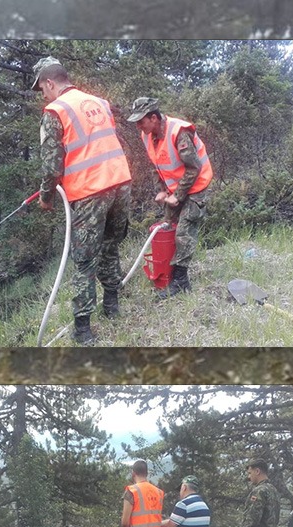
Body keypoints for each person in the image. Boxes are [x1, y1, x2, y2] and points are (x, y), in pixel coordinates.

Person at [31, 56, 133, 345]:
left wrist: (46, 197)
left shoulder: (55, 111)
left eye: (42, 89)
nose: (43, 95)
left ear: (50, 83)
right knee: (111, 246)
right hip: (120, 182)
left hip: (91, 191)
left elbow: (52, 165)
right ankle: (112, 306)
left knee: (85, 261)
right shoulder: (98, 102)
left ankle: (83, 329)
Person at [126, 97, 214, 299]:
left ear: (154, 118)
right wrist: (162, 190)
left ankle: (181, 282)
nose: (138, 126)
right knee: (167, 226)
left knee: (183, 232)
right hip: (175, 188)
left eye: (141, 121)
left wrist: (178, 195)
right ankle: (166, 275)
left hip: (196, 186)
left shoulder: (179, 132)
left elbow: (194, 168)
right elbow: (156, 165)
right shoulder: (147, 135)